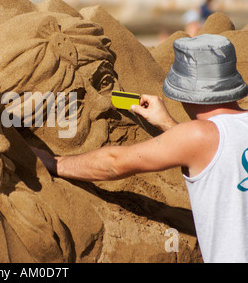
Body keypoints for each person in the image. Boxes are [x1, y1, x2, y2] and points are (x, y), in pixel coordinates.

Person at [32, 34, 248, 263]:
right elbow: (217, 153)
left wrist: (55, 162)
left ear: (184, 93)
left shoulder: (197, 135)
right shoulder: (215, 134)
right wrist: (167, 124)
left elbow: (115, 163)